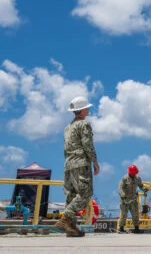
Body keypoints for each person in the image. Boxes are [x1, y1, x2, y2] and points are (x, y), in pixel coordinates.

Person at [55, 96, 100, 238]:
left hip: (69, 164)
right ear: (82, 110)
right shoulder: (84, 124)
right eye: (87, 108)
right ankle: (65, 219)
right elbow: (87, 144)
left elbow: (65, 147)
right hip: (81, 162)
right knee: (85, 194)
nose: (88, 109)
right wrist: (95, 162)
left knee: (72, 195)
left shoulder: (67, 128)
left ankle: (71, 227)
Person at [118, 164, 149, 233]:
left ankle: (136, 228)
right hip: (125, 200)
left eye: (135, 173)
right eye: (133, 173)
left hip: (133, 200)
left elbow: (141, 185)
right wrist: (122, 194)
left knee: (135, 214)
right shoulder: (124, 179)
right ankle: (121, 228)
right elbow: (120, 188)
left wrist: (144, 189)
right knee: (124, 215)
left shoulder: (137, 178)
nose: (134, 175)